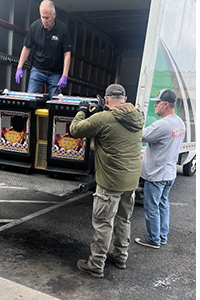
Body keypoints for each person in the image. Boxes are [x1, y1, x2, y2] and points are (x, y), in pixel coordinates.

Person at [70, 84, 144, 278]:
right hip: (131, 181)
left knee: (103, 224)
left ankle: (96, 265)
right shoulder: (138, 117)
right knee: (123, 220)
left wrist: (82, 111)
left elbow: (75, 130)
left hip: (110, 182)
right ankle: (120, 256)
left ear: (107, 100)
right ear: (125, 100)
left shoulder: (103, 118)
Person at [135, 89, 185, 249]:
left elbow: (139, 136)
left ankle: (154, 240)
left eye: (157, 102)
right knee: (163, 204)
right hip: (169, 173)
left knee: (151, 207)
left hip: (156, 175)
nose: (155, 105)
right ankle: (162, 236)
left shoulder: (162, 125)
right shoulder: (179, 123)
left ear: (165, 104)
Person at [15, 0, 72, 99]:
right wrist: (19, 67)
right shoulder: (35, 27)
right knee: (30, 98)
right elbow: (27, 48)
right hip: (38, 69)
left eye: (47, 18)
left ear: (54, 15)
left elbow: (67, 53)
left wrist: (64, 75)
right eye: (42, 17)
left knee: (53, 103)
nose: (44, 20)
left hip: (55, 72)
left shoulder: (63, 30)